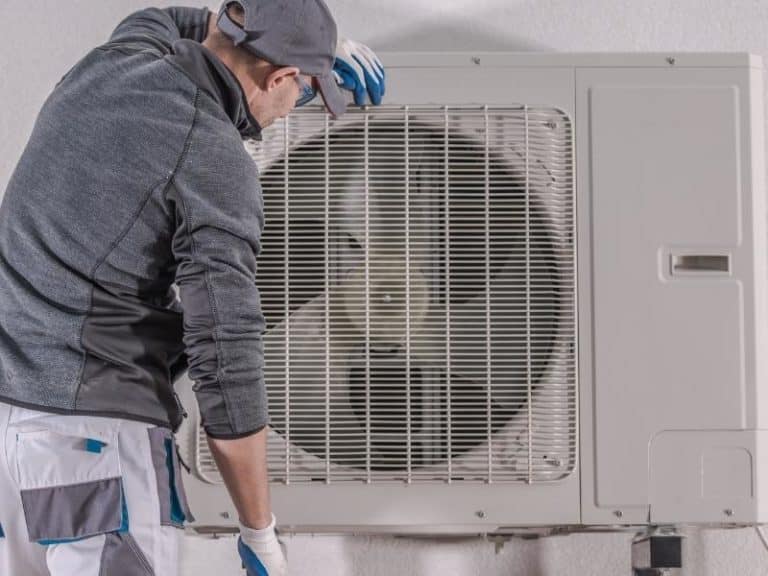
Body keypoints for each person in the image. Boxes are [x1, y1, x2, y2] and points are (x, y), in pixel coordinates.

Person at [0, 1, 385, 575]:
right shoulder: (212, 156)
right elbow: (225, 360)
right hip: (96, 444)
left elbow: (169, 17)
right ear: (278, 77)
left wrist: (308, 43)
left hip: (11, 421)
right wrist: (260, 532)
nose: (293, 108)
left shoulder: (117, 57)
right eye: (304, 92)